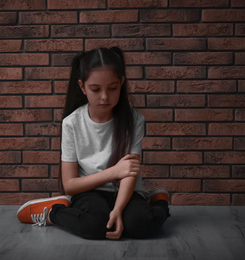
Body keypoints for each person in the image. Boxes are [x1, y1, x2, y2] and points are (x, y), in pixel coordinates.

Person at [17, 47, 170, 240]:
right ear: (82, 87)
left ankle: (159, 200)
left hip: (124, 190)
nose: (105, 96)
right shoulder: (72, 123)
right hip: (88, 192)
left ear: (121, 83)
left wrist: (118, 210)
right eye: (96, 89)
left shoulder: (134, 120)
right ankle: (53, 212)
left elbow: (129, 174)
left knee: (144, 224)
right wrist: (113, 172)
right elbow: (70, 184)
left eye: (112, 88)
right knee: (96, 226)